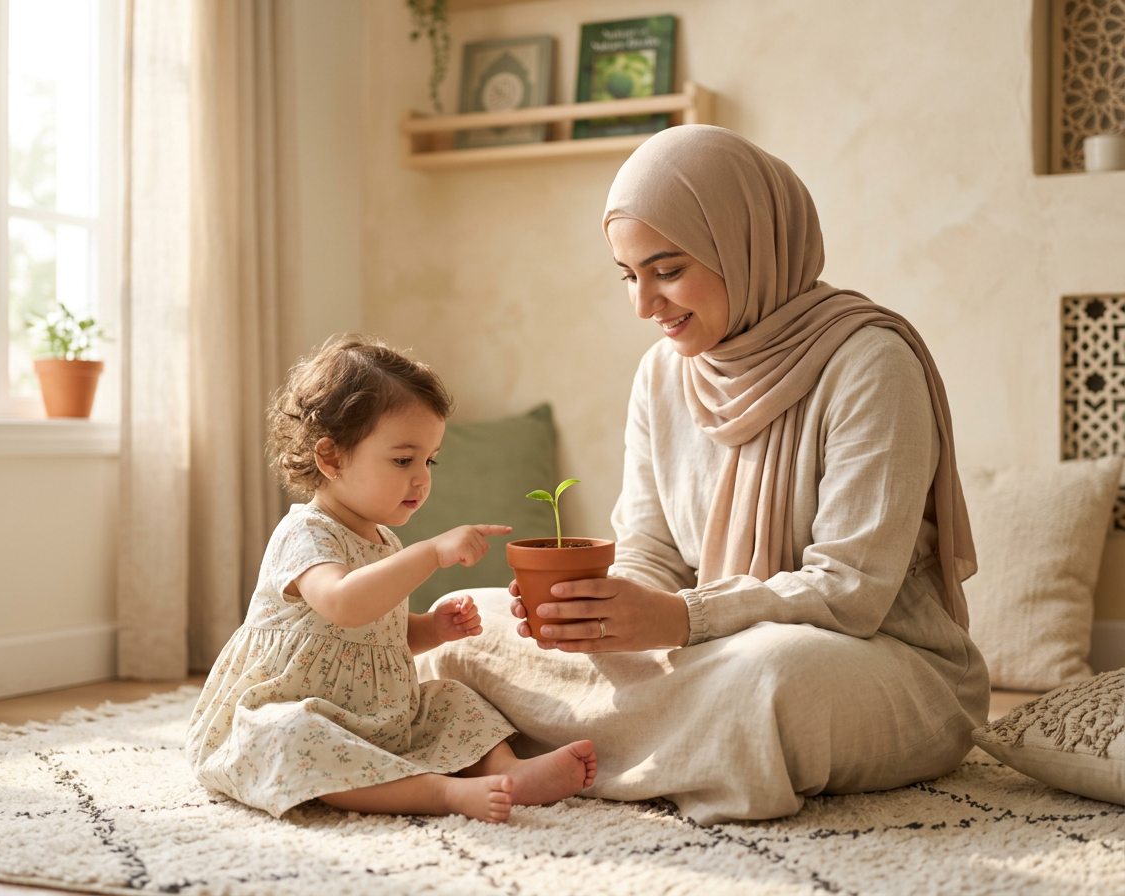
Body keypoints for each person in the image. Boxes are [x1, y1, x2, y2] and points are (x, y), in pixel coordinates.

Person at [418, 125, 990, 825]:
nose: (643, 304)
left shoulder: (871, 363)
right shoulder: (663, 373)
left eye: (667, 270)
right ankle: (582, 760)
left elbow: (851, 593)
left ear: (745, 243)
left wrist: (683, 618)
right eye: (629, 276)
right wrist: (600, 615)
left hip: (873, 662)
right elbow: (652, 549)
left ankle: (520, 746)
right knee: (464, 633)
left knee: (768, 678)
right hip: (703, 645)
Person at [186, 336, 597, 824]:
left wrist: (432, 629)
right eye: (404, 460)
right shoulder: (305, 534)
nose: (422, 478)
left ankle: (508, 771)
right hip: (293, 710)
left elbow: (381, 636)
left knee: (451, 698)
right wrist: (430, 553)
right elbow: (343, 605)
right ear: (331, 458)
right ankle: (441, 794)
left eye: (430, 460)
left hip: (375, 715)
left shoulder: (383, 542)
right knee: (294, 735)